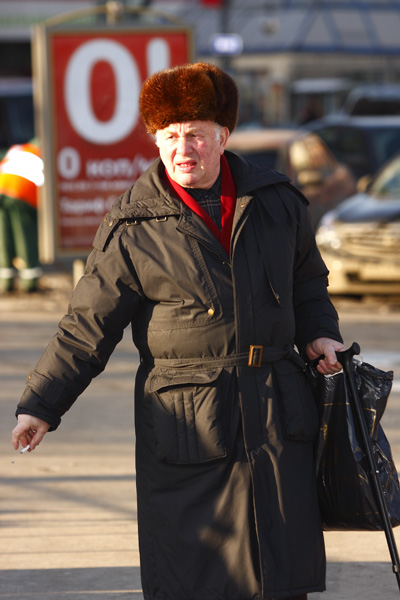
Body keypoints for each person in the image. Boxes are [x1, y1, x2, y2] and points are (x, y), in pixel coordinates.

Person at [12, 62, 345, 600]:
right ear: (155, 140)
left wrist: (320, 333)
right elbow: (85, 327)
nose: (181, 148)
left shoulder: (277, 202)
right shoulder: (134, 224)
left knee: (280, 575)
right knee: (199, 579)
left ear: (223, 136)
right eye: (169, 136)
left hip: (277, 413)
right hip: (191, 426)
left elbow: (308, 284)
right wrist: (41, 405)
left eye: (194, 134)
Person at [0, 142, 44, 292]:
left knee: (4, 237)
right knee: (25, 237)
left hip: (2, 187)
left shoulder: (16, 148)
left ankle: (6, 281)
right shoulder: (42, 152)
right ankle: (29, 282)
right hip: (22, 193)